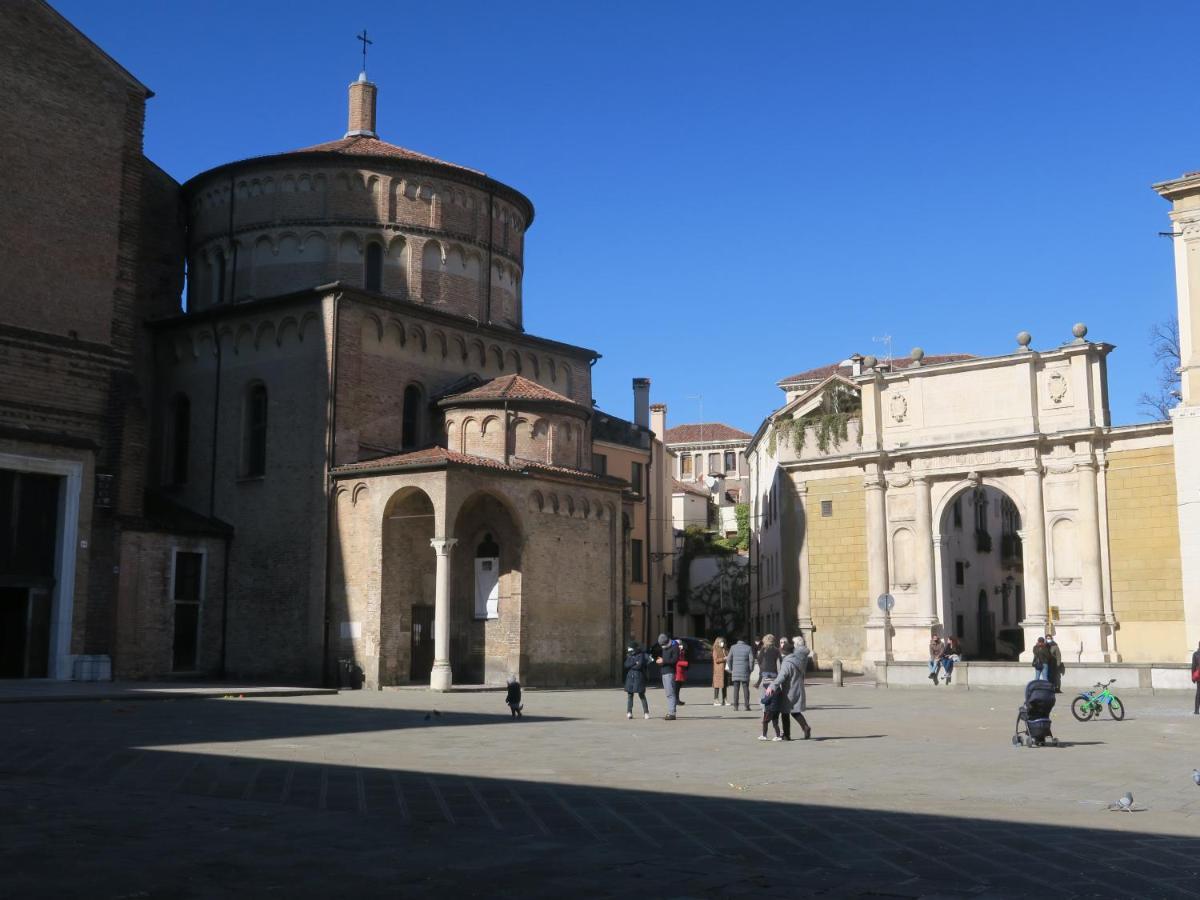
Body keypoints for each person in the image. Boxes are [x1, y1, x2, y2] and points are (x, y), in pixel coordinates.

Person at [773, 636, 813, 740]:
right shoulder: (798, 660)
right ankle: (805, 727)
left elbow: (782, 676)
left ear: (784, 652)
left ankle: (787, 735)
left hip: (789, 690)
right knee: (795, 711)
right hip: (798, 687)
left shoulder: (787, 662)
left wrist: (773, 686)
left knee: (785, 713)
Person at [623, 642, 652, 720]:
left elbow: (639, 666)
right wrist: (634, 663)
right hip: (630, 678)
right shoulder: (629, 655)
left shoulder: (641, 655)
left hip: (639, 678)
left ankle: (646, 713)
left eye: (631, 649)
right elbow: (626, 665)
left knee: (642, 695)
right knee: (630, 696)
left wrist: (632, 665)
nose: (630, 651)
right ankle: (629, 712)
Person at [655, 633, 679, 720]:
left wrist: (663, 661)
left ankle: (672, 713)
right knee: (668, 693)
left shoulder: (674, 646)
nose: (662, 647)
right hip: (664, 672)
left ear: (667, 641)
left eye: (663, 644)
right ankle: (671, 711)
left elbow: (674, 660)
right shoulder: (665, 647)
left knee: (670, 693)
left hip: (670, 672)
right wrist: (660, 660)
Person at [728, 637, 753, 711]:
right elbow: (751, 660)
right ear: (744, 640)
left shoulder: (733, 647)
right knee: (745, 688)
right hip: (745, 671)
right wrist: (750, 669)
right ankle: (747, 706)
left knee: (736, 689)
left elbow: (729, 659)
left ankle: (735, 706)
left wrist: (731, 668)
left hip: (735, 671)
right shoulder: (748, 648)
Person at [712, 637, 729, 706]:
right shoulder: (715, 650)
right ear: (717, 642)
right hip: (718, 670)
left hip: (725, 670)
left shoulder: (725, 649)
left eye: (723, 642)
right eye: (721, 642)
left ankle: (724, 700)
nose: (723, 643)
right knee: (717, 685)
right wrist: (724, 658)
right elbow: (716, 660)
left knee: (724, 685)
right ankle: (716, 700)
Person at [673, 639, 688, 706]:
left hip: (681, 670)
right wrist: (685, 663)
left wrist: (682, 650)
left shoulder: (681, 650)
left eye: (680, 644)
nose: (680, 645)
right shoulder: (675, 650)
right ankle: (676, 700)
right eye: (679, 644)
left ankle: (677, 700)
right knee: (676, 686)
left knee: (679, 686)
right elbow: (676, 661)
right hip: (677, 671)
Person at [1192, 640, 1200, 716]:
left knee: (1198, 693)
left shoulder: (1195, 654)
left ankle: (1196, 710)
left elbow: (1193, 667)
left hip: (1199, 677)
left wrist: (1193, 678)